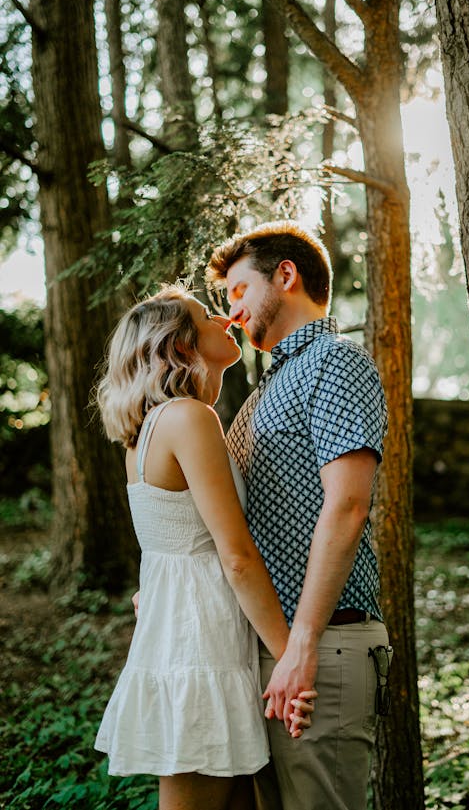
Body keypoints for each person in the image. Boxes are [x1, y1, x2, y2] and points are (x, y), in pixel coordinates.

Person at [93, 285, 315, 810]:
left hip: (199, 637)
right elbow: (235, 556)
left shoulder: (154, 426)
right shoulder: (189, 419)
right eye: (204, 314)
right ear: (181, 344)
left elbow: (165, 543)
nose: (222, 316)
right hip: (201, 649)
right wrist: (291, 659)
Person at [206, 220, 391, 810]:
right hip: (271, 651)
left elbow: (348, 505)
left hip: (324, 648)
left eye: (238, 291)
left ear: (285, 276)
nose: (231, 311)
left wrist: (302, 645)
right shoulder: (266, 388)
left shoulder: (336, 362)